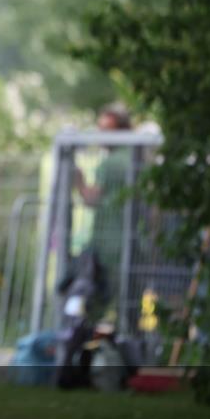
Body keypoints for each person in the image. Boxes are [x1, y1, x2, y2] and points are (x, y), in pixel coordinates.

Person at [72, 103, 133, 321]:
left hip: (108, 247)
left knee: (92, 304)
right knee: (130, 305)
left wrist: (77, 180)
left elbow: (91, 198)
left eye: (105, 129)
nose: (100, 135)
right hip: (134, 244)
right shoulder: (137, 158)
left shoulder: (112, 164)